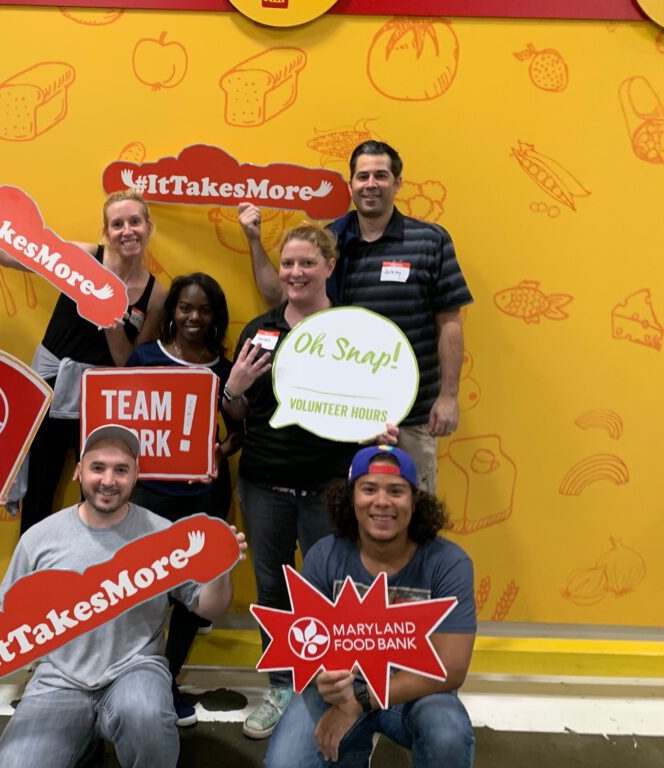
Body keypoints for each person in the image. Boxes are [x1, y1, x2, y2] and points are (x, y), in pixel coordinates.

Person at [0, 424, 246, 768]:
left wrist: (219, 570)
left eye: (121, 469)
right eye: (98, 467)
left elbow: (210, 609)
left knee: (147, 720)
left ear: (136, 475)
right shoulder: (40, 538)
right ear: (80, 471)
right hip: (59, 678)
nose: (108, 480)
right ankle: (84, 743)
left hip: (135, 670)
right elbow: (5, 618)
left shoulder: (165, 536)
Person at [240, 140, 473, 492]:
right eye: (362, 176)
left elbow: (449, 322)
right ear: (350, 185)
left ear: (398, 183)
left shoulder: (430, 241)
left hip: (408, 418)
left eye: (381, 175)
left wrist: (448, 397)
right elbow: (281, 294)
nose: (371, 184)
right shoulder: (332, 238)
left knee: (411, 519)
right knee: (350, 525)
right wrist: (254, 241)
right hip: (340, 423)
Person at [221, 223, 360, 740]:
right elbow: (237, 415)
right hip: (265, 485)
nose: (296, 273)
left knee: (332, 593)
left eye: (307, 263)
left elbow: (372, 403)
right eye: (288, 264)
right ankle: (281, 685)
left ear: (329, 266)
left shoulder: (353, 332)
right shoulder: (260, 331)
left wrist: (380, 429)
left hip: (329, 487)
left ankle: (336, 693)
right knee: (273, 591)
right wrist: (231, 390)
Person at [0, 191, 166, 533]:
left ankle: (95, 572)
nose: (127, 230)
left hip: (103, 395)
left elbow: (129, 363)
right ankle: (31, 574)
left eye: (134, 221)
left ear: (148, 227)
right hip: (51, 383)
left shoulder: (156, 293)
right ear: (106, 231)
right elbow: (12, 257)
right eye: (117, 224)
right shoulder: (85, 257)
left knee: (104, 488)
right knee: (39, 483)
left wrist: (112, 327)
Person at [265, 444, 476, 768]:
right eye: (369, 489)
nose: (382, 501)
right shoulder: (324, 556)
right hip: (341, 690)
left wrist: (360, 702)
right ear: (351, 498)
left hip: (413, 691)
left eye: (396, 490)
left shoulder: (447, 563)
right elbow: (304, 645)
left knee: (446, 733)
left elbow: (451, 667)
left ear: (414, 500)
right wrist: (322, 679)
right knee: (285, 763)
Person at [126, 272, 243, 726]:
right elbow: (122, 418)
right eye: (185, 308)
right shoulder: (144, 357)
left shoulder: (224, 367)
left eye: (204, 310)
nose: (194, 317)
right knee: (149, 588)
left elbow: (238, 435)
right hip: (149, 494)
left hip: (205, 493)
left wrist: (219, 450)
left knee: (195, 591)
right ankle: (144, 676)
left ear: (216, 317)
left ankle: (167, 678)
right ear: (172, 311)